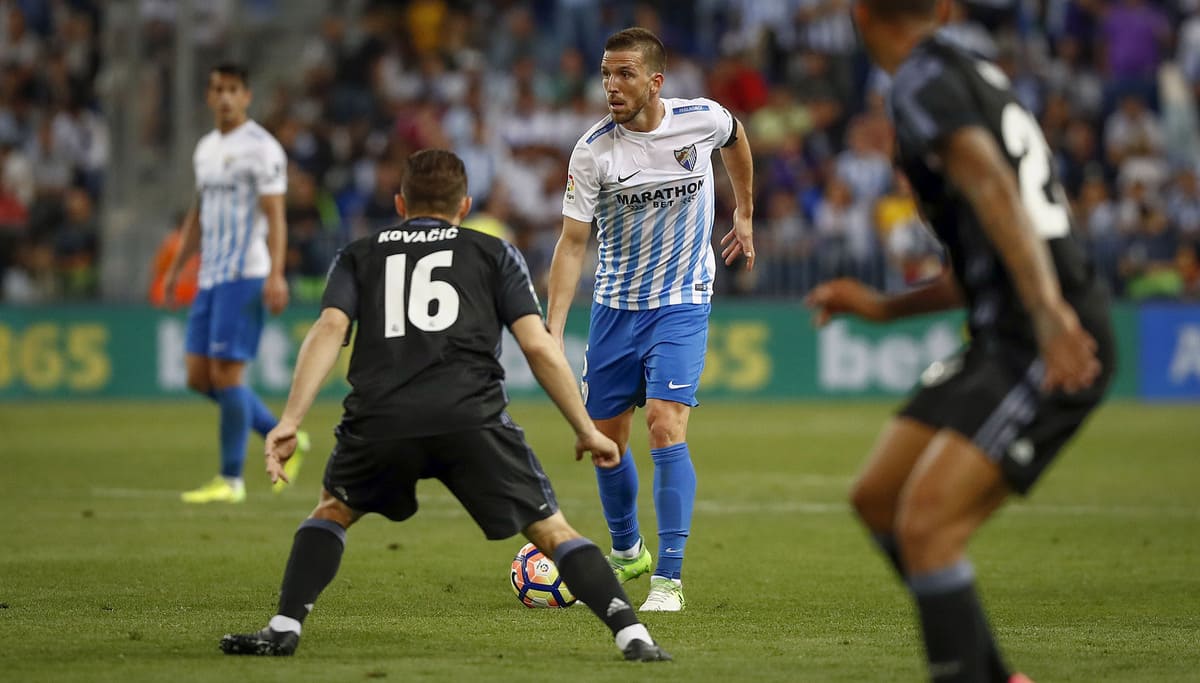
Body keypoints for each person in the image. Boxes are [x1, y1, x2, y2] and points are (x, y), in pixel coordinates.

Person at [219, 150, 671, 662]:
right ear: (465, 206)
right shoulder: (494, 253)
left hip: (381, 418)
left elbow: (328, 329)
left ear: (400, 203)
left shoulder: (359, 254)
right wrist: (586, 428)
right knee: (552, 530)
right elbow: (538, 346)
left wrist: (290, 420)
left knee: (333, 510)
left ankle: (283, 628)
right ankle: (634, 637)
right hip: (471, 417)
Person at [806, 2, 1114, 681]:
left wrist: (1049, 314)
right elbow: (987, 243)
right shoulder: (969, 72)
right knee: (880, 499)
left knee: (927, 526)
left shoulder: (920, 81)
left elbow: (992, 186)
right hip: (1010, 328)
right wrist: (884, 309)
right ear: (943, 9)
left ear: (860, 14)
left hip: (1042, 334)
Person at [546, 27, 755, 612]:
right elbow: (571, 243)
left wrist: (744, 212)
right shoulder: (593, 151)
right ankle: (628, 550)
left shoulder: (701, 119)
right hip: (615, 307)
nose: (611, 86)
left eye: (625, 74)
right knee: (606, 444)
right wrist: (553, 328)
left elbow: (737, 137)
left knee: (665, 424)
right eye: (606, 75)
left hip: (682, 301)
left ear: (655, 81)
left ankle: (669, 578)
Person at [163, 63, 306, 504]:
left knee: (227, 375)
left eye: (233, 89)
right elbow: (198, 213)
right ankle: (283, 434)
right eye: (218, 89)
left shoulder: (261, 148)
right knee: (198, 376)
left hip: (245, 273)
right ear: (209, 96)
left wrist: (276, 273)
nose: (225, 97)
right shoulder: (206, 148)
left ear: (246, 96)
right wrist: (176, 267)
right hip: (209, 276)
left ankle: (231, 480)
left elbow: (276, 214)